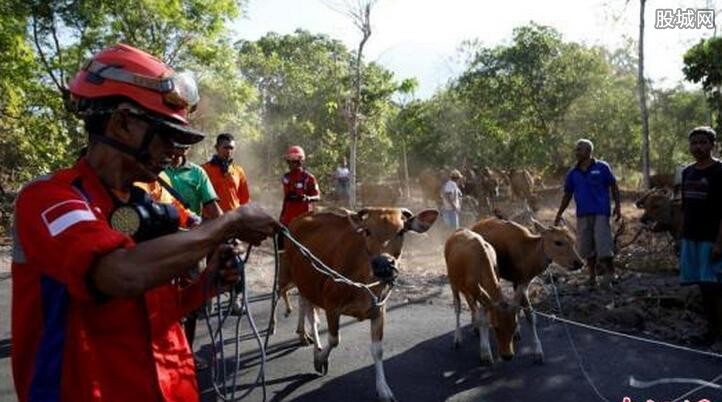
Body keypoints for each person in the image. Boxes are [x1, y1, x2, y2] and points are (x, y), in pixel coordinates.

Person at [11, 43, 278, 402]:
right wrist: (227, 224)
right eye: (165, 134)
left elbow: (153, 312)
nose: (174, 150)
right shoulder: (51, 199)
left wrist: (204, 286)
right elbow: (119, 274)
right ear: (122, 122)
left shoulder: (146, 205)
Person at [554, 139, 621, 286]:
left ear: (589, 151)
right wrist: (559, 213)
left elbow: (614, 186)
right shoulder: (573, 173)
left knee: (603, 243)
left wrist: (618, 206)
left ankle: (611, 273)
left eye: (579, 149)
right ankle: (592, 277)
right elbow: (567, 195)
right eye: (576, 149)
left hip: (601, 212)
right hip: (583, 213)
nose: (576, 152)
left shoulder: (602, 167)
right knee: (586, 246)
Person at [678, 126, 722, 349]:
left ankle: (715, 333)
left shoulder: (719, 171)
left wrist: (719, 243)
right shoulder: (687, 172)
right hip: (691, 238)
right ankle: (711, 331)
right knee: (704, 288)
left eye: (703, 142)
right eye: (694, 143)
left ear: (712, 145)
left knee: (713, 287)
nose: (698, 147)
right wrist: (681, 237)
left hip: (711, 239)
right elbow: (685, 208)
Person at [164, 143, 222, 220]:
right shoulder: (157, 170)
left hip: (192, 229)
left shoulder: (198, 172)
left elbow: (212, 206)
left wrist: (223, 224)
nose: (184, 143)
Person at [202, 133, 251, 212]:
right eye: (225, 148)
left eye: (231, 148)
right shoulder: (204, 170)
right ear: (217, 148)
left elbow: (245, 200)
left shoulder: (238, 171)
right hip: (213, 219)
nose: (229, 151)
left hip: (234, 218)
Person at [279, 145, 320, 227]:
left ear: (300, 162)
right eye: (289, 161)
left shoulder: (308, 178)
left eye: (293, 161)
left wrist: (307, 198)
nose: (290, 164)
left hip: (304, 218)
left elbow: (317, 196)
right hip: (288, 218)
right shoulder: (286, 177)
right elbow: (286, 198)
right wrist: (282, 215)